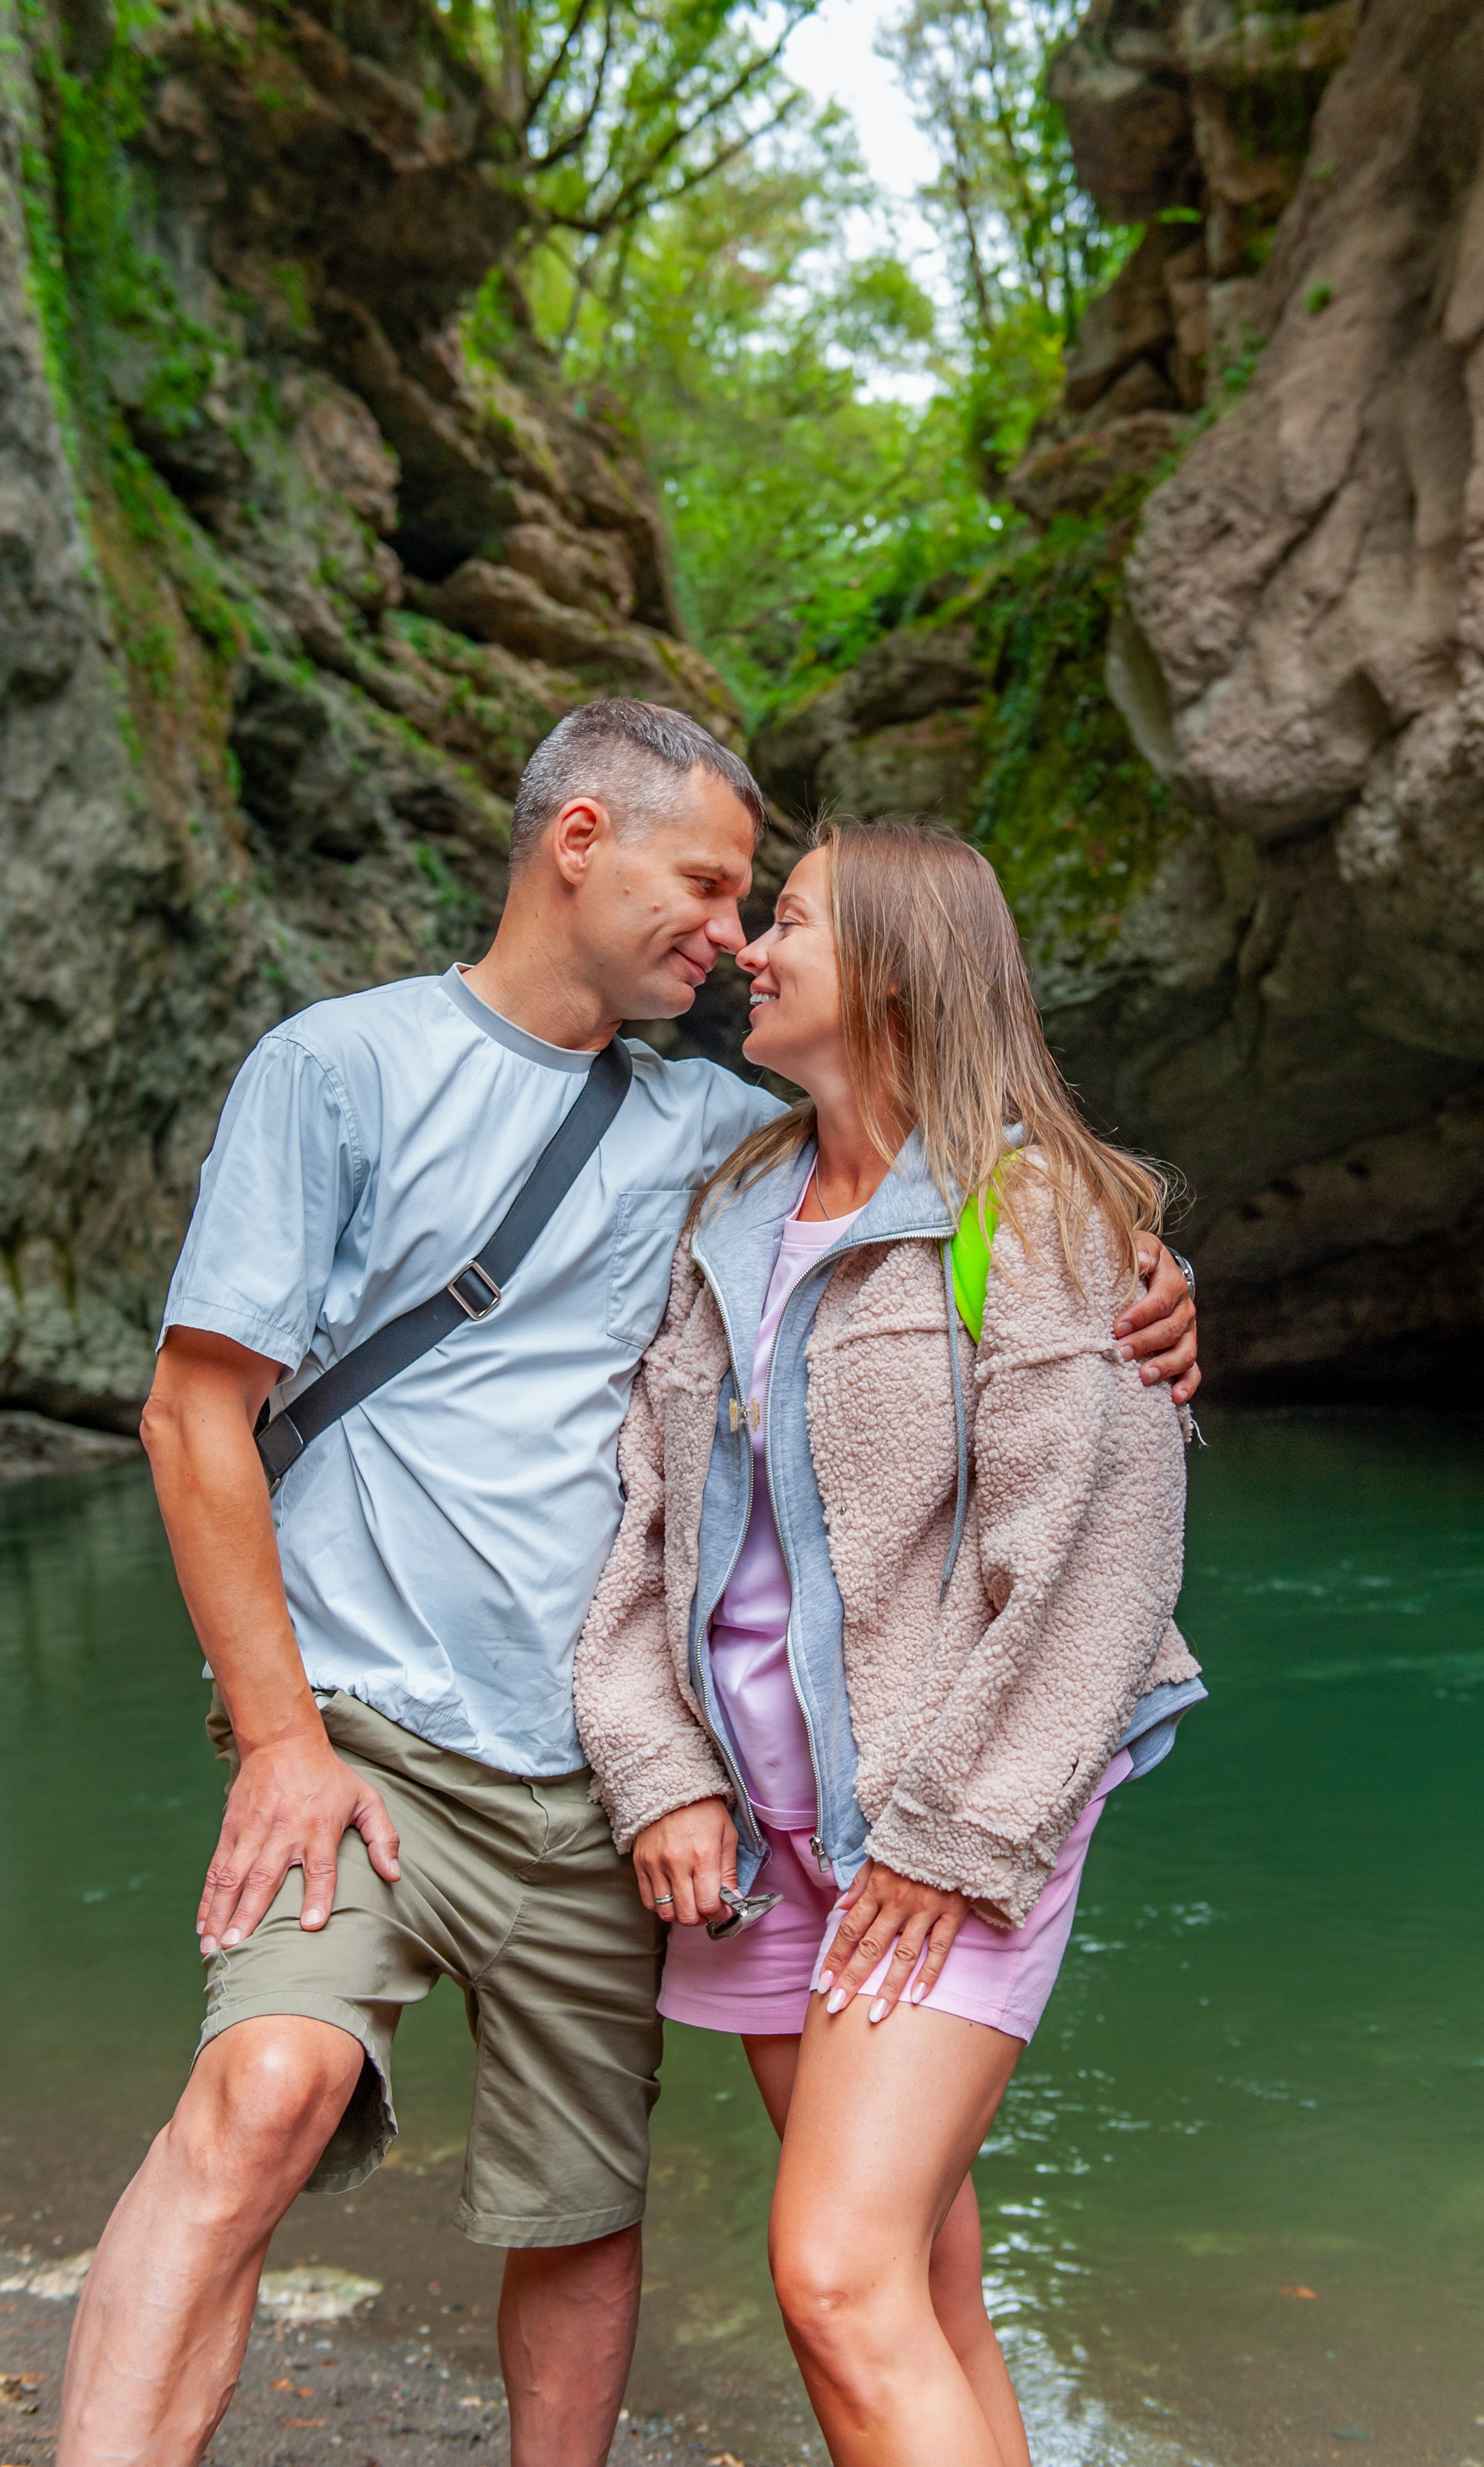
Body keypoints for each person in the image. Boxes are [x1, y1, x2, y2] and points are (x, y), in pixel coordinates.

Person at [58, 709, 1200, 2467]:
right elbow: (209, 1415)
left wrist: (1142, 1269)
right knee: (271, 2095)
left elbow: (966, 1220)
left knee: (683, 2236)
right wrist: (285, 1740)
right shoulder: (383, 1080)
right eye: (718, 885)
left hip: (687, 1804)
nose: (741, 937)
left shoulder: (730, 1142)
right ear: (579, 840)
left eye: (771, 908)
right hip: (444, 1760)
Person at [573, 817, 1205, 2467]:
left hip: (950, 1826)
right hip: (760, 1844)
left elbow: (1093, 1568)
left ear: (902, 974)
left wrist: (949, 1839)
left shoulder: (1038, 1213)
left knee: (835, 2280)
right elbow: (648, 1530)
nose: (750, 951)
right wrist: (658, 1778)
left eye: (786, 920)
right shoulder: (726, 1203)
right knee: (917, 2268)